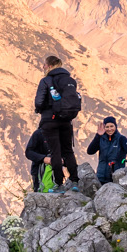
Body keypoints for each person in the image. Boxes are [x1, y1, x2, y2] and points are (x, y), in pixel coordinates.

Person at [32, 54, 83, 187]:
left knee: (55, 152)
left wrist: (42, 109)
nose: (43, 67)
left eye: (44, 64)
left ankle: (59, 184)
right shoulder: (70, 80)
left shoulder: (46, 81)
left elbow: (39, 102)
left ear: (48, 66)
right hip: (66, 120)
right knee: (68, 150)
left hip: (50, 121)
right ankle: (75, 181)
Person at [85, 117, 127, 190]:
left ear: (115, 126)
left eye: (111, 126)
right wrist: (98, 135)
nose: (109, 129)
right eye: (107, 127)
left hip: (116, 176)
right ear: (104, 128)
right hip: (101, 176)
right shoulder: (101, 139)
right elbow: (90, 151)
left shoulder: (121, 139)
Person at [25, 123, 57, 193]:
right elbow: (28, 152)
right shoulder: (39, 134)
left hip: (56, 171)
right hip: (39, 171)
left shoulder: (61, 133)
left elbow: (67, 152)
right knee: (41, 194)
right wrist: (43, 158)